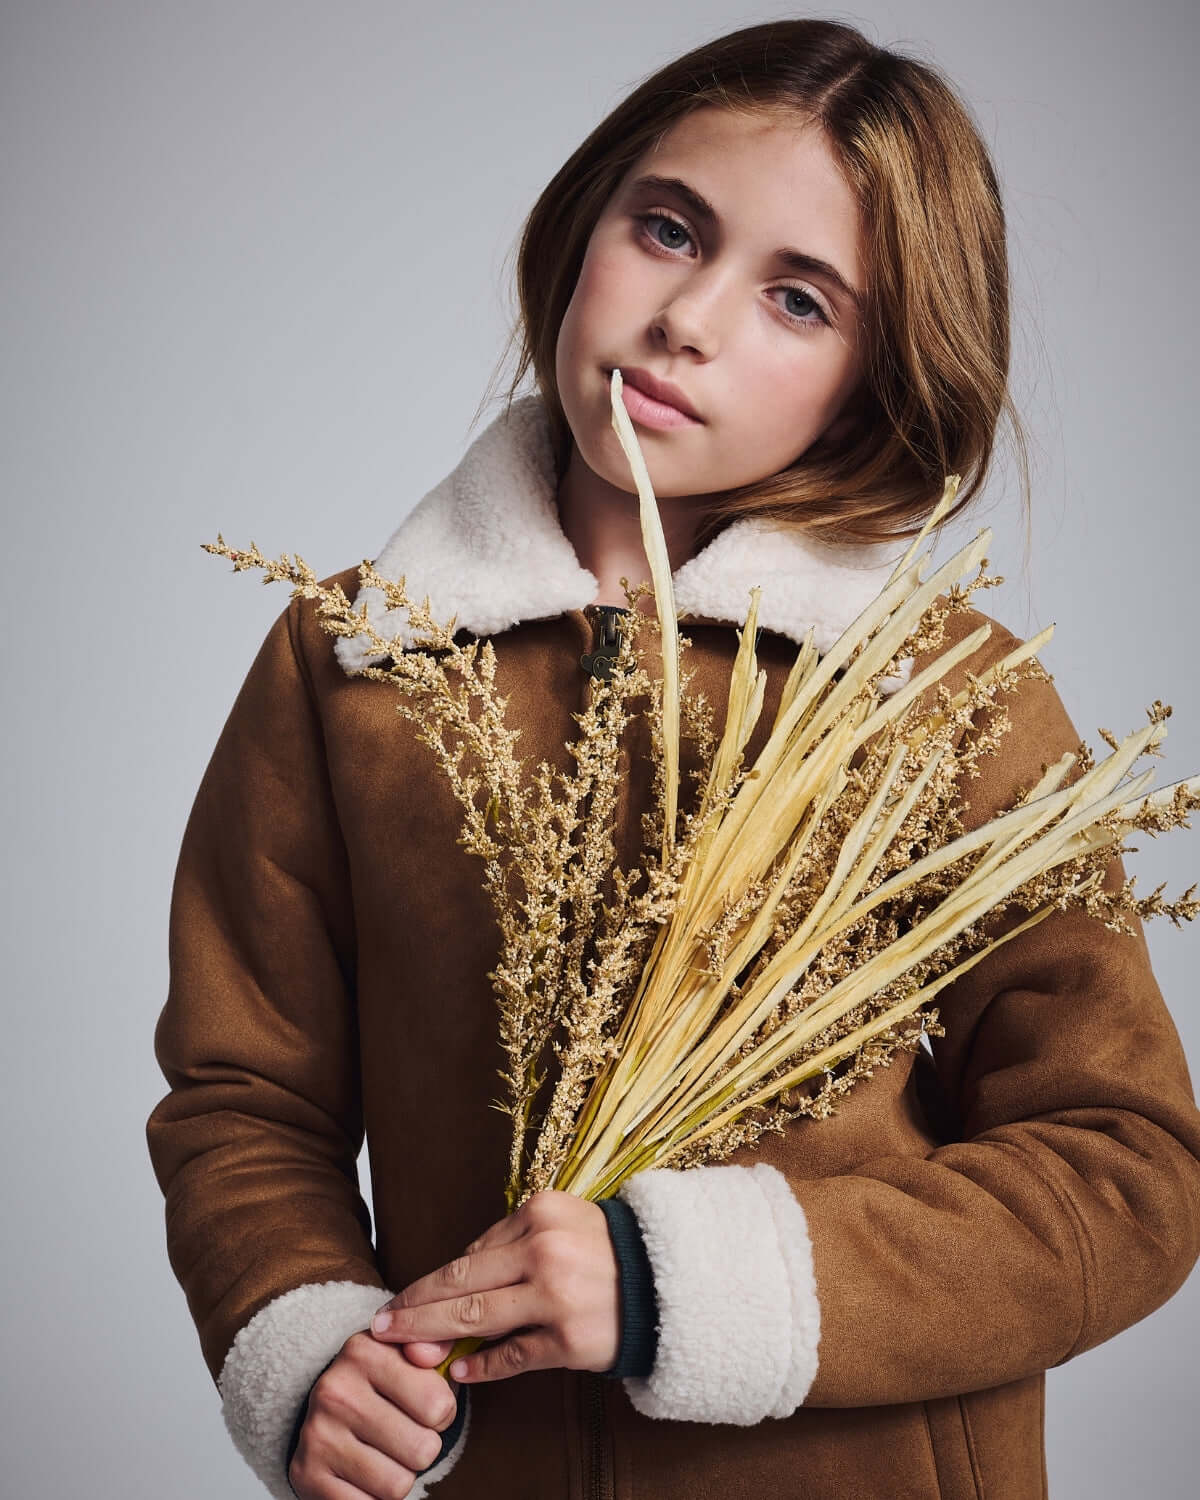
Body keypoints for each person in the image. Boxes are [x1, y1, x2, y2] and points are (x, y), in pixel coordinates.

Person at [146, 17, 1200, 1500]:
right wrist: (310, 1344)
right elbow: (244, 1101)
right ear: (586, 227)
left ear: (876, 376)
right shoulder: (352, 668)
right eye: (667, 230)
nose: (688, 318)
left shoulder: (937, 696)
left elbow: (1127, 1169)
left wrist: (677, 1284)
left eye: (798, 300)